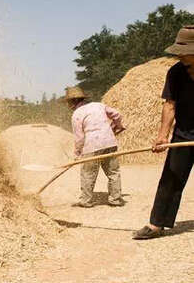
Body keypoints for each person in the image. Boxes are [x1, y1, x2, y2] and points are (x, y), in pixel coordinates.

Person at [133, 25, 194, 239]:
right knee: (171, 177)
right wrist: (162, 135)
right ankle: (156, 224)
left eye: (184, 51)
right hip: (184, 134)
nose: (180, 55)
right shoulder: (176, 73)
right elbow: (169, 105)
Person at [66, 86, 126, 208]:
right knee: (113, 172)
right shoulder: (99, 105)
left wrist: (77, 153)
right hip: (110, 142)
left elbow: (80, 138)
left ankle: (86, 200)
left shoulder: (77, 114)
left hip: (92, 146)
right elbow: (117, 114)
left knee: (88, 173)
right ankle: (115, 199)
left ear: (72, 102)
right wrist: (117, 126)